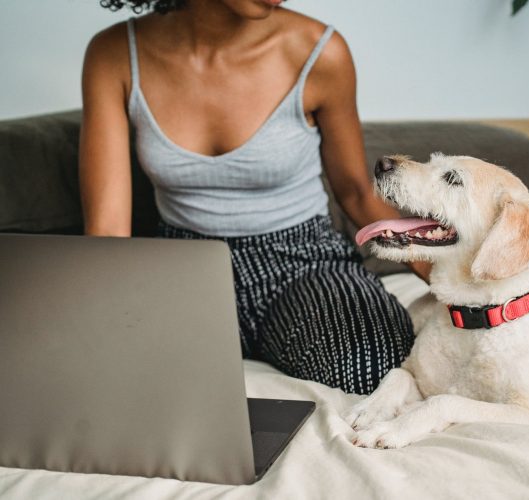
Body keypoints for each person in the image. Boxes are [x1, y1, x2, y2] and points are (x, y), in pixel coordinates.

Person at [79, 0, 429, 394]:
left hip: (304, 261)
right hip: (182, 270)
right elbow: (108, 228)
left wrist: (438, 271)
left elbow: (355, 192)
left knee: (376, 369)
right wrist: (111, 325)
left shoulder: (320, 51)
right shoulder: (115, 55)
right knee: (132, 383)